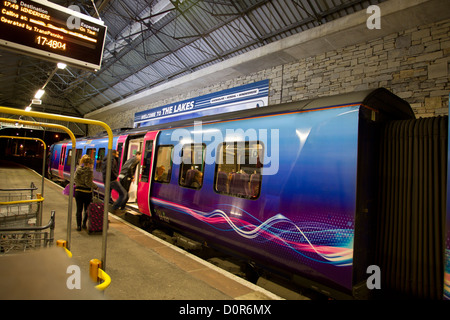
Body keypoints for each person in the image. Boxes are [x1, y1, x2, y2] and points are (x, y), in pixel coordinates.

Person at [74, 155, 98, 231]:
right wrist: (95, 186)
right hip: (87, 193)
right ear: (89, 164)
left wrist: (79, 184)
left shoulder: (78, 169)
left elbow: (75, 179)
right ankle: (84, 224)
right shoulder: (89, 171)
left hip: (78, 192)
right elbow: (88, 182)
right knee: (87, 210)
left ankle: (78, 226)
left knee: (79, 210)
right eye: (92, 164)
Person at [102, 150, 127, 214]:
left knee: (107, 197)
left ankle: (103, 214)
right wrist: (116, 177)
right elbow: (111, 170)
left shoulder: (105, 159)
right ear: (113, 154)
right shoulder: (112, 160)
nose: (118, 156)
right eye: (117, 154)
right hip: (112, 180)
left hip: (106, 180)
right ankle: (115, 208)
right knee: (123, 194)